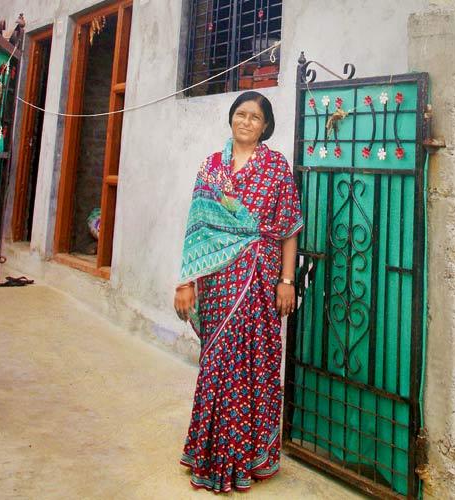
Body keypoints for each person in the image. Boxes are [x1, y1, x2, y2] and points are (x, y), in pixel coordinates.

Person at [174, 91, 303, 493]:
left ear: (266, 126)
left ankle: (248, 457)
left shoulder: (277, 167)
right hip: (216, 282)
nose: (246, 121)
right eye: (241, 114)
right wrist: (185, 281)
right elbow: (197, 228)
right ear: (232, 119)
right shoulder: (211, 168)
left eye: (256, 117)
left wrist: (287, 280)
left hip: (261, 279)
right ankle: (210, 453)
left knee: (254, 365)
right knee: (218, 363)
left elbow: (289, 228)